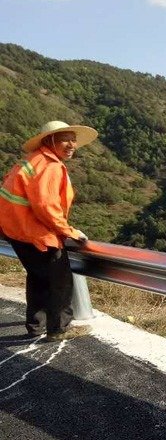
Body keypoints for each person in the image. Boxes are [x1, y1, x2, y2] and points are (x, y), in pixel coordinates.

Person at [0, 120, 97, 341]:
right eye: (65, 139)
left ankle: (36, 326)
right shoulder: (50, 166)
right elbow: (46, 205)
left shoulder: (33, 160)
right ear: (49, 140)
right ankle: (58, 329)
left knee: (38, 278)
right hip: (36, 233)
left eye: (73, 140)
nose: (72, 145)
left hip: (17, 231)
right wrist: (68, 231)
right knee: (59, 281)